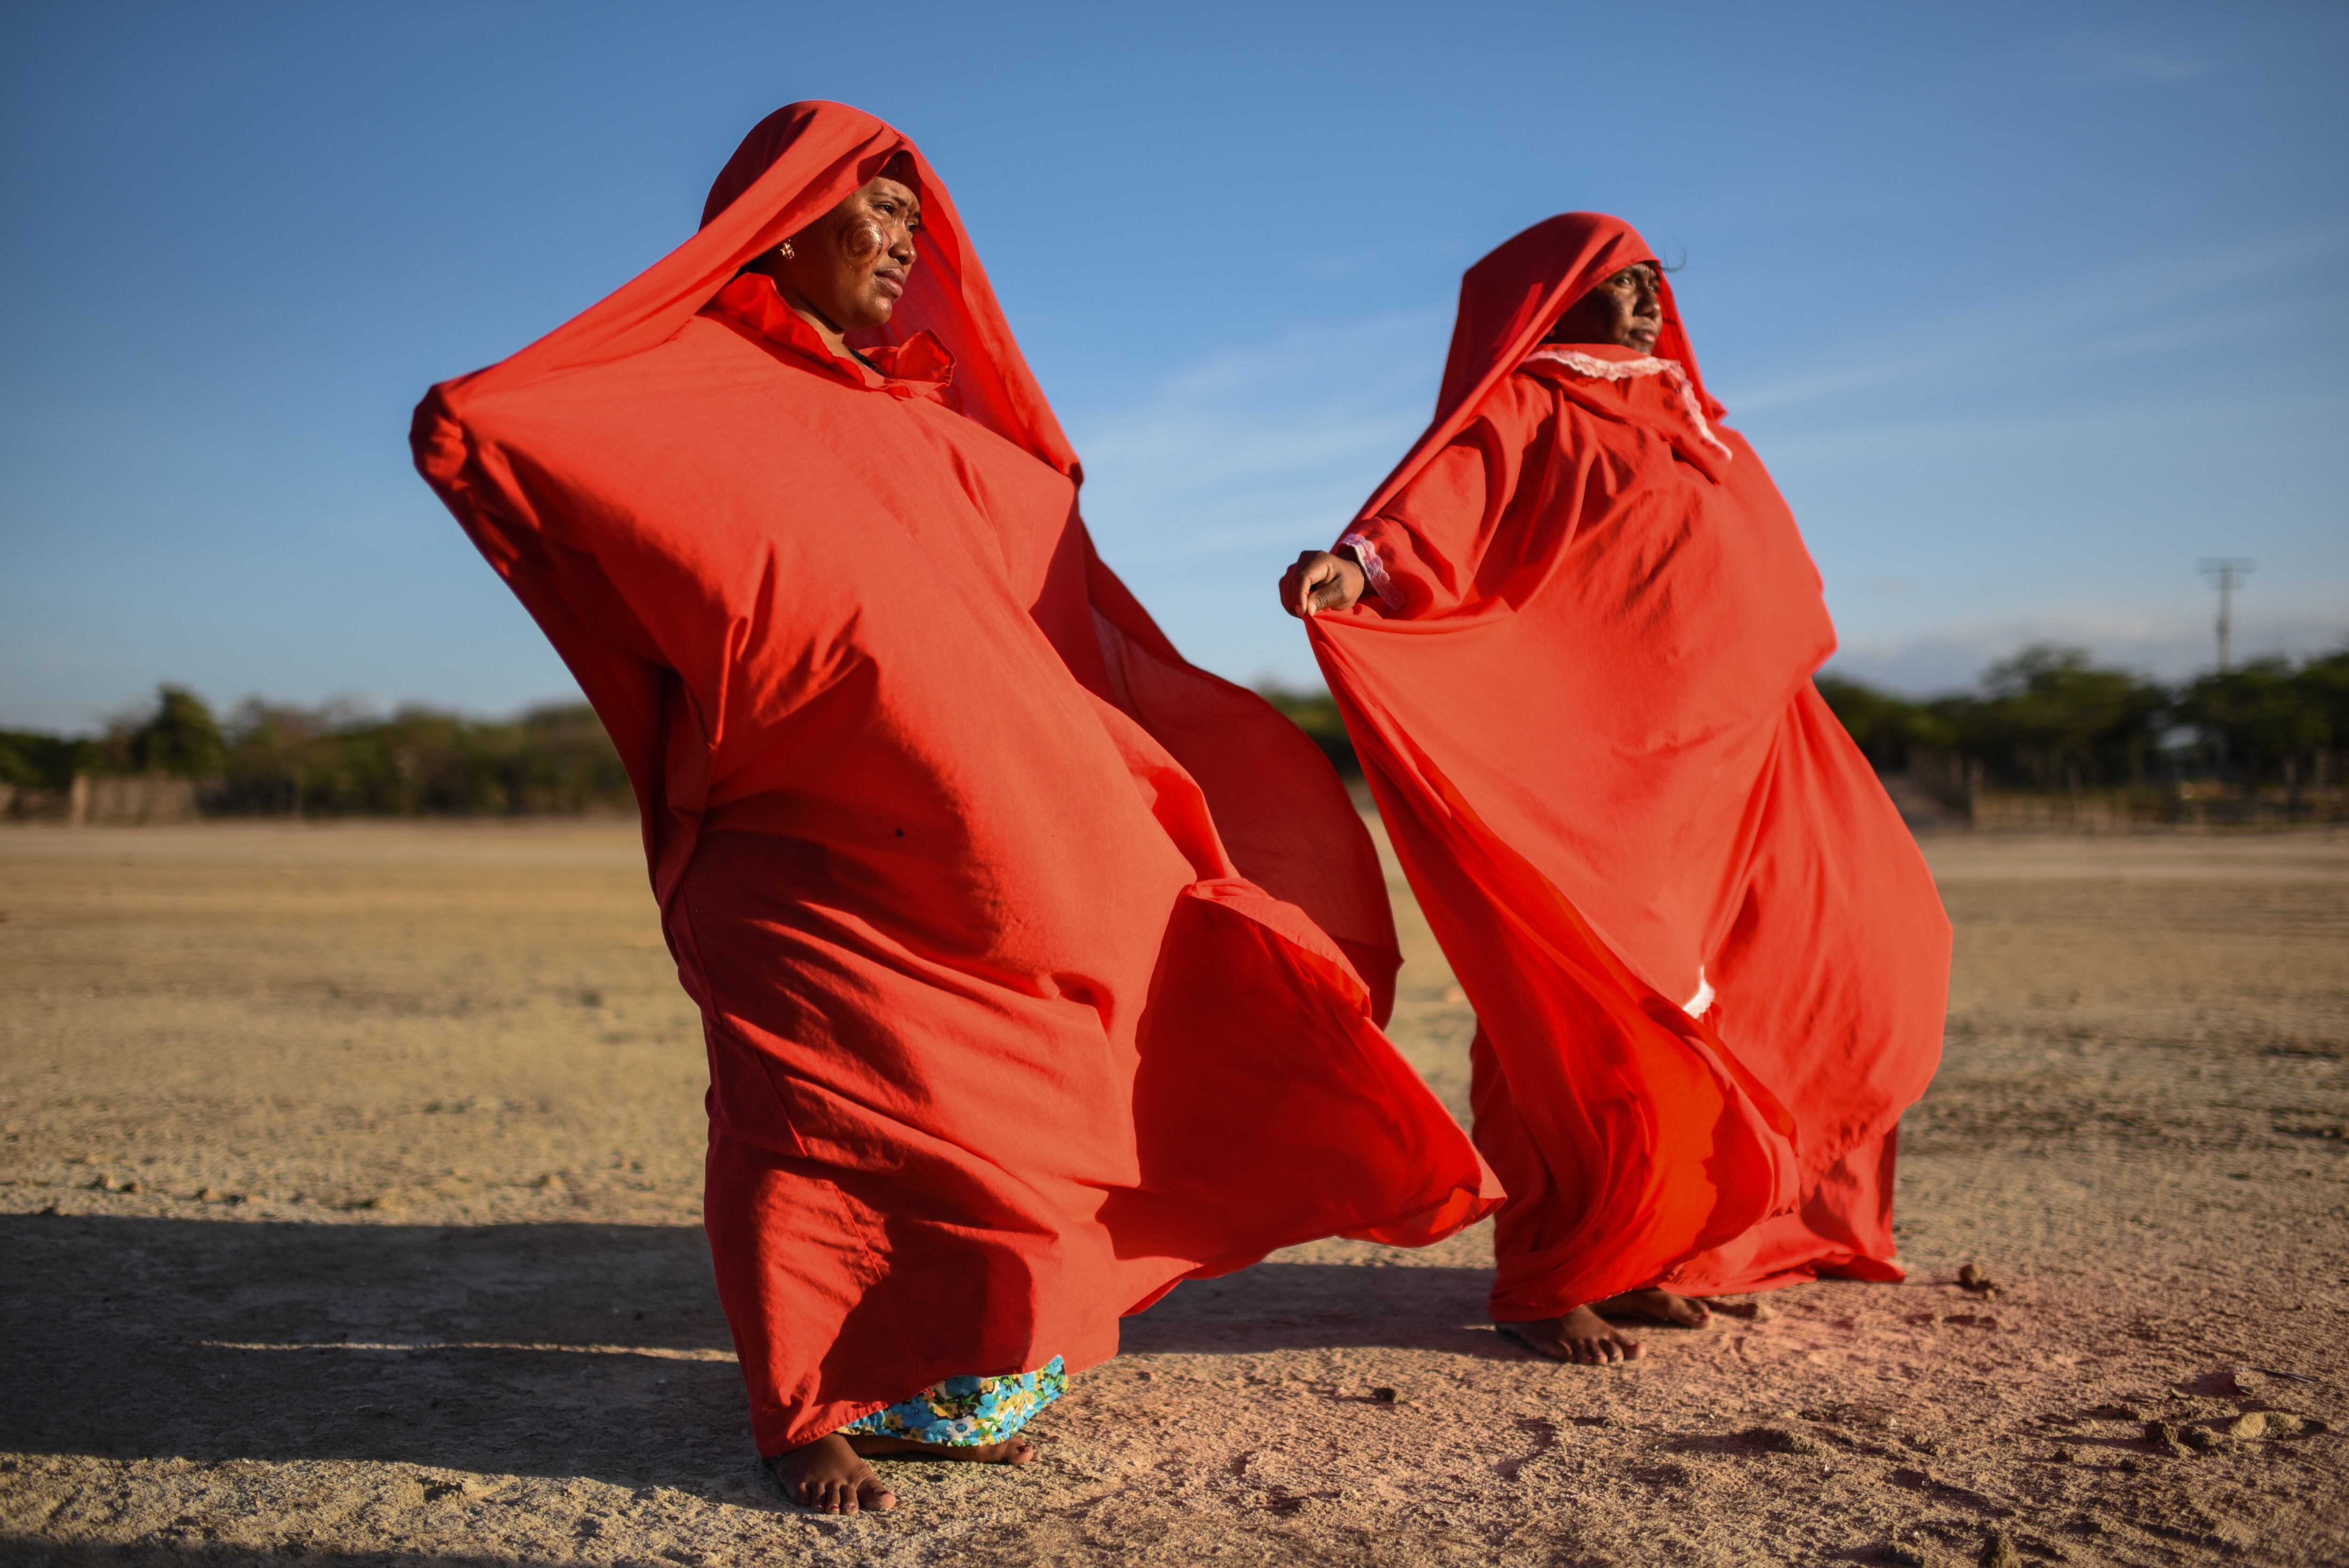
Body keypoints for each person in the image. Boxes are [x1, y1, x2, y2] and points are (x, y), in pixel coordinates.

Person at [414, 102, 1498, 1513]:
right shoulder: (699, 390)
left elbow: (1052, 631)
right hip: (791, 851)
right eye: (877, 210)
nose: (908, 242)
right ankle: (803, 1409)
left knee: (1013, 1120)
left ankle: (936, 1379)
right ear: (783, 226)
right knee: (809, 1119)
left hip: (976, 861)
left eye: (920, 221)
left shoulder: (947, 436)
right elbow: (484, 424)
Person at [1280, 213, 1950, 1366]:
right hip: (1604, 768)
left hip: (1741, 752)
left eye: (1654, 278)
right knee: (1582, 1000)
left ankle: (1641, 1243)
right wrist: (1356, 567)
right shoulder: (1529, 402)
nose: (1646, 296)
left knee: (1853, 949)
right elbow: (1428, 509)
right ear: (1554, 298)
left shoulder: (1693, 416)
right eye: (1618, 279)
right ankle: (1551, 1272)